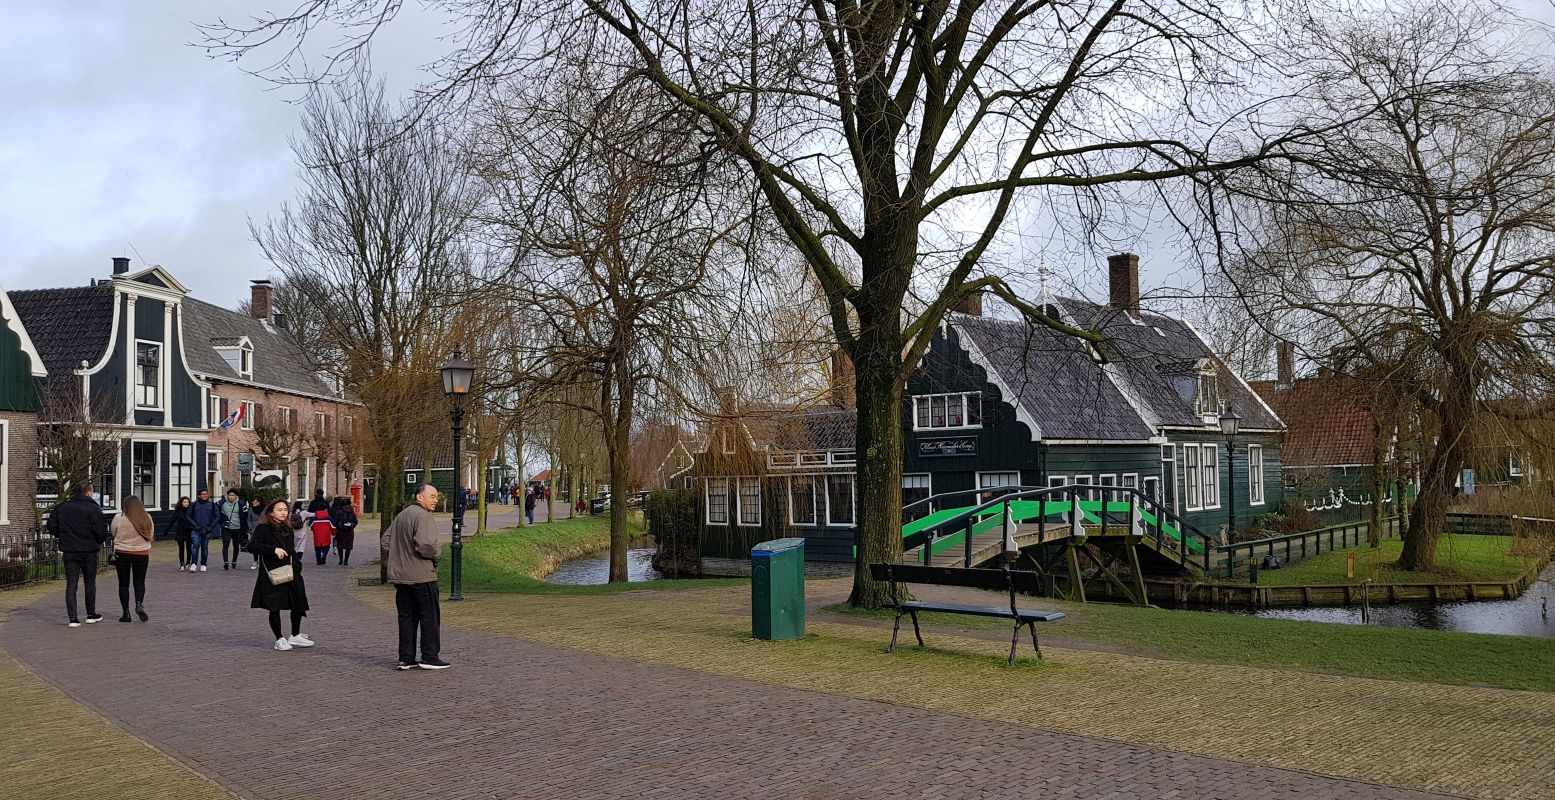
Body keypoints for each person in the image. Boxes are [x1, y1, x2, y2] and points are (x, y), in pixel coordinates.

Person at [385, 483, 449, 670]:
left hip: (401, 577)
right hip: (422, 576)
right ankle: (430, 656)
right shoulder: (423, 516)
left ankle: (406, 658)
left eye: (436, 497)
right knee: (429, 616)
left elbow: (386, 541)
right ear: (419, 497)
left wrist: (400, 555)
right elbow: (425, 544)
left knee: (406, 617)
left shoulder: (401, 515)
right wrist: (436, 554)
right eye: (432, 496)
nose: (436, 500)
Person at [248, 499, 313, 651]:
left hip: (291, 570)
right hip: (273, 572)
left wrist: (297, 564)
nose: (283, 512)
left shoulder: (287, 527)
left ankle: (295, 635)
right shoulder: (263, 528)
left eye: (285, 509)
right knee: (274, 606)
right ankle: (279, 638)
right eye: (279, 510)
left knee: (298, 601)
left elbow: (291, 549)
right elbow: (252, 546)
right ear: (271, 512)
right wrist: (272, 549)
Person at [48, 483, 108, 626]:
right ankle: (91, 614)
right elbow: (101, 531)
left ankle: (73, 619)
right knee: (90, 583)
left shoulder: (61, 507)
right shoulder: (93, 509)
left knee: (71, 584)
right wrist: (96, 541)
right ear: (88, 493)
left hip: (70, 551)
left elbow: (51, 525)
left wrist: (63, 536)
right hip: (89, 551)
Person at [112, 495, 154, 622]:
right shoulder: (147, 517)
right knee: (139, 582)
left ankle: (126, 613)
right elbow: (150, 534)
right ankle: (139, 604)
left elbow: (114, 532)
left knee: (123, 584)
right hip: (141, 552)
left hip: (122, 552)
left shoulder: (119, 518)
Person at [187, 489, 220, 572]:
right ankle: (193, 564)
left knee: (205, 547)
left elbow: (217, 516)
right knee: (195, 545)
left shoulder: (212, 505)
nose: (205, 495)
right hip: (196, 529)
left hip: (207, 529)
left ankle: (203, 564)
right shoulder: (193, 504)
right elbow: (188, 516)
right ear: (199, 495)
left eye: (206, 494)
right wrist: (195, 525)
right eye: (203, 494)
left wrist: (211, 526)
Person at [218, 489, 250, 571]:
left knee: (236, 546)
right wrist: (221, 522)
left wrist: (245, 528)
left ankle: (234, 562)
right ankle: (226, 563)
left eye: (233, 495)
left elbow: (245, 515)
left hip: (238, 528)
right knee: (225, 545)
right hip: (226, 528)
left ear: (236, 496)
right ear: (227, 495)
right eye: (230, 495)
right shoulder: (221, 503)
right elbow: (216, 513)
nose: (231, 497)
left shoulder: (241, 503)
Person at [166, 496, 193, 571]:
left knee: (189, 548)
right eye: (184, 502)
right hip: (180, 531)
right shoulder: (178, 511)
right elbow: (172, 521)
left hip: (189, 531)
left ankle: (188, 563)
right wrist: (166, 531)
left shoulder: (191, 510)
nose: (186, 504)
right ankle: (182, 564)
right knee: (181, 549)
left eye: (187, 502)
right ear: (181, 503)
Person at [329, 497, 358, 565]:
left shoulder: (339, 511)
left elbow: (335, 521)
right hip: (350, 531)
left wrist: (340, 526)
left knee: (340, 546)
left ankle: (341, 559)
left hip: (341, 531)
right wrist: (351, 525)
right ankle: (346, 560)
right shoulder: (352, 511)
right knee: (348, 546)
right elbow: (356, 521)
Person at [245, 496, 266, 569]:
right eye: (253, 501)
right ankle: (255, 561)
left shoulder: (265, 509)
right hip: (254, 530)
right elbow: (249, 520)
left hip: (263, 530)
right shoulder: (251, 509)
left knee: (264, 546)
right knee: (255, 546)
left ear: (260, 502)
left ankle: (263, 561)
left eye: (256, 501)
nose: (254, 503)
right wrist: (250, 527)